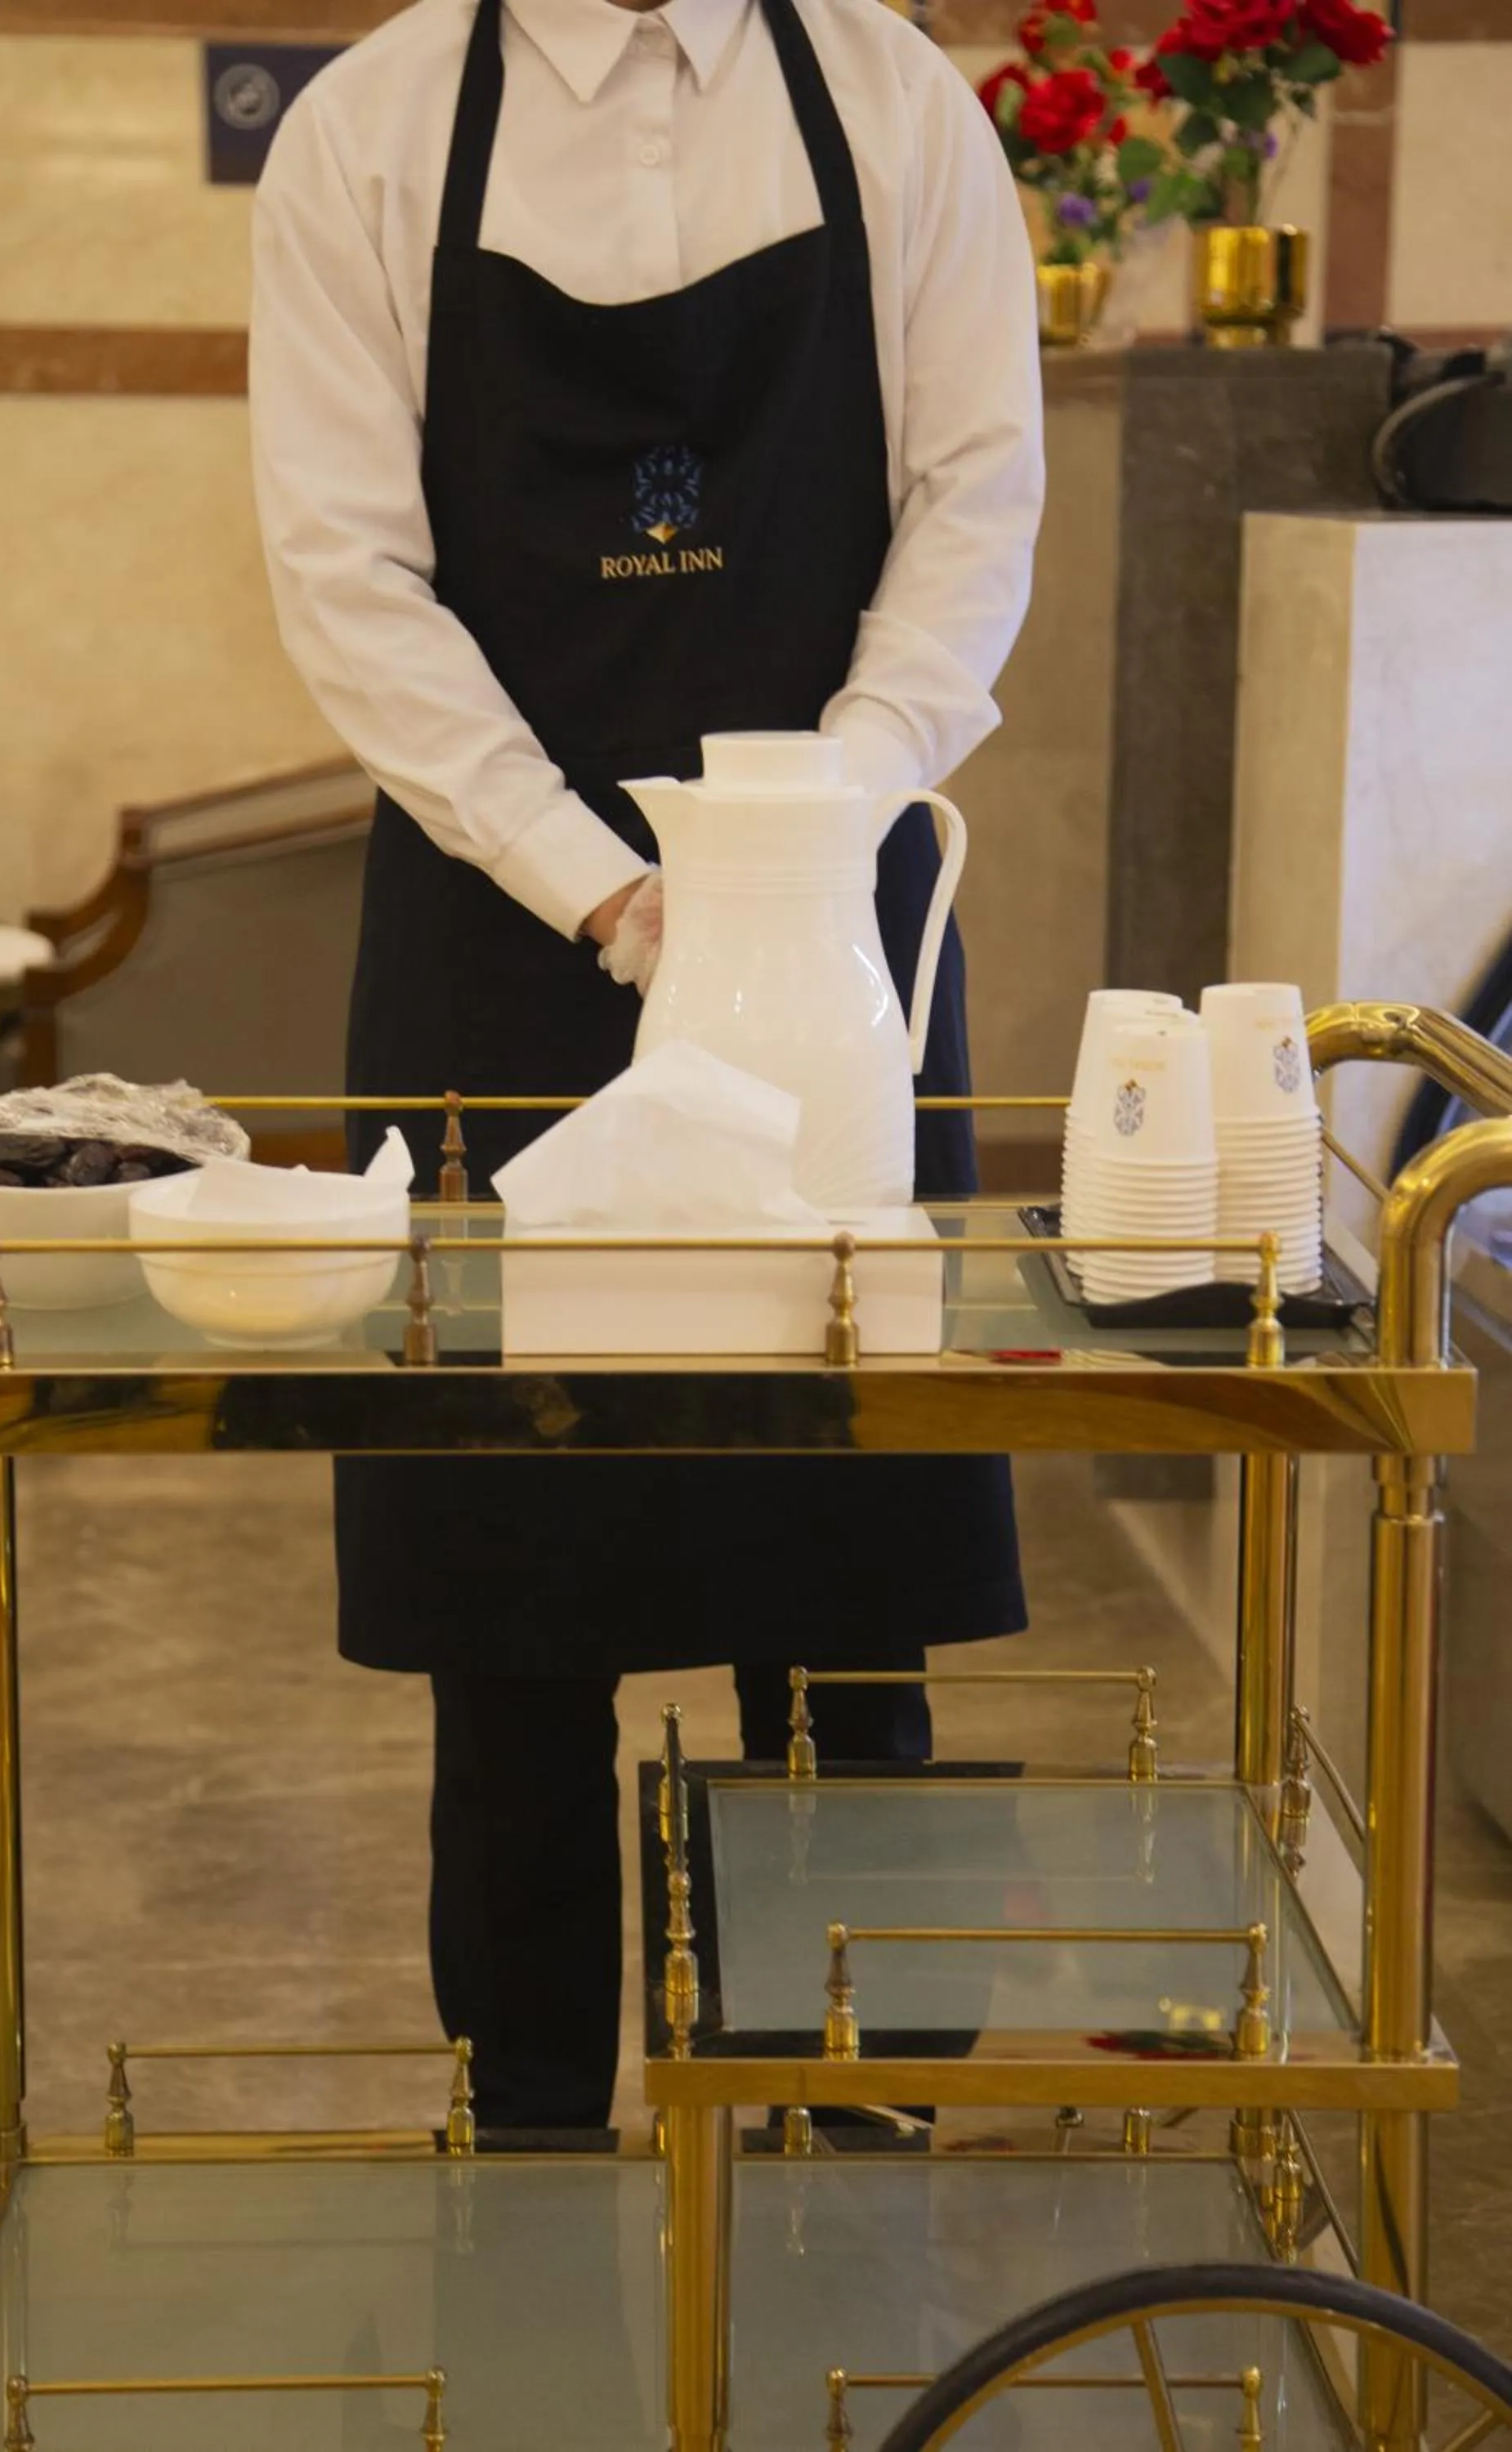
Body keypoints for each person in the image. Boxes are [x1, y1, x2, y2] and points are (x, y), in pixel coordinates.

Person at [251, 0, 1043, 2132]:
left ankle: (843, 2113)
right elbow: (346, 574)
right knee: (511, 1578)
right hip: (496, 956)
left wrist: (809, 833)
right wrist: (606, 886)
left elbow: (978, 500)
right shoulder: (374, 127)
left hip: (829, 951)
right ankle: (526, 2120)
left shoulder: (896, 103)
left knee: (843, 1564)